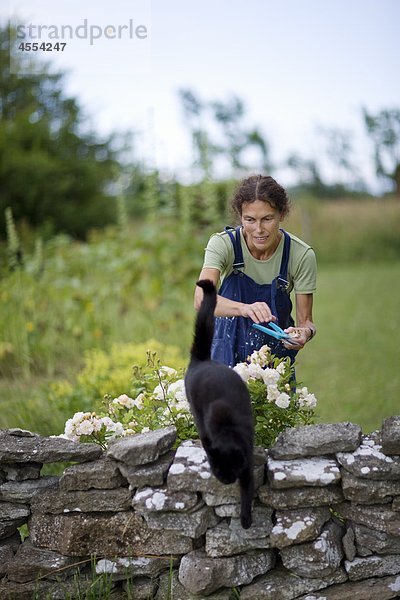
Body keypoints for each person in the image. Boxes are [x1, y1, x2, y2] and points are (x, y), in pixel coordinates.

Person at [194, 174, 317, 367]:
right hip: (223, 355)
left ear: (281, 214)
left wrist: (304, 333)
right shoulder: (223, 244)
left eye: (267, 219)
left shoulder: (300, 255)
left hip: (274, 363)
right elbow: (201, 299)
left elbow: (306, 322)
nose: (258, 229)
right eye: (250, 220)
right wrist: (244, 308)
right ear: (240, 217)